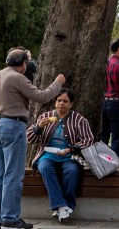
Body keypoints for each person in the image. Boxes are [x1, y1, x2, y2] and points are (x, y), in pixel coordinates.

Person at [0, 48, 65, 229]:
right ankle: (10, 218)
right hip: (13, 125)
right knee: (13, 175)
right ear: (23, 64)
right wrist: (57, 83)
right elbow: (42, 97)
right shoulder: (18, 78)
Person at [26, 88, 94, 221]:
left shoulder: (79, 119)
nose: (61, 103)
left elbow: (88, 140)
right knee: (45, 167)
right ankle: (61, 206)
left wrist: (71, 149)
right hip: (48, 154)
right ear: (54, 102)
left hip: (68, 155)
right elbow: (30, 139)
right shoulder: (45, 117)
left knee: (72, 170)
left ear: (71, 104)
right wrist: (38, 128)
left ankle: (66, 205)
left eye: (65, 101)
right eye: (59, 100)